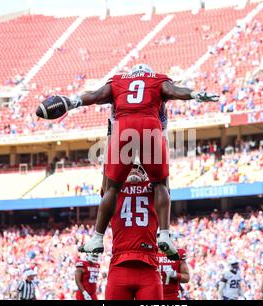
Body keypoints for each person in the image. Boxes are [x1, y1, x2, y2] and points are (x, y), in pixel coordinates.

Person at [76, 64, 218, 260]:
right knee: (160, 184)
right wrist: (194, 95)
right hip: (151, 126)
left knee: (111, 189)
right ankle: (166, 234)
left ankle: (97, 237)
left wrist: (72, 101)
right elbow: (174, 91)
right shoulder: (157, 80)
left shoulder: (118, 81)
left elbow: (95, 95)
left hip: (123, 127)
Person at [105, 164, 163, 300]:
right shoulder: (114, 191)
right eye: (130, 168)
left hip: (148, 265)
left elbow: (163, 181)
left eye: (139, 169)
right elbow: (107, 182)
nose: (135, 170)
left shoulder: (155, 189)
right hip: (119, 264)